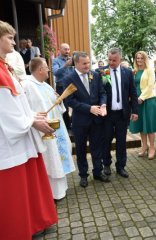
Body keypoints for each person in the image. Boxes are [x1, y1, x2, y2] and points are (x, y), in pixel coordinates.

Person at [0, 20, 57, 239]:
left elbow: (18, 103)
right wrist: (31, 122)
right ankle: (18, 230)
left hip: (21, 133)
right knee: (16, 191)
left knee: (28, 184)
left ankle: (34, 222)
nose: (14, 41)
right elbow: (5, 110)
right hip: (9, 140)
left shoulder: (6, 67)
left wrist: (33, 116)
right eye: (9, 37)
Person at [21, 57, 75, 200]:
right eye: (46, 68)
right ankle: (50, 193)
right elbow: (24, 109)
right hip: (41, 130)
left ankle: (60, 191)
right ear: (39, 70)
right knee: (49, 159)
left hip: (56, 128)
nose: (49, 70)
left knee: (58, 157)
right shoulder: (27, 85)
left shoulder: (46, 85)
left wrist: (57, 99)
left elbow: (58, 107)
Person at [64, 51, 108, 187]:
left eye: (88, 63)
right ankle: (83, 175)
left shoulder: (94, 75)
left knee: (97, 147)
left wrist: (103, 104)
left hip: (96, 120)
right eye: (84, 63)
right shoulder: (69, 78)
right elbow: (70, 101)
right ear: (76, 63)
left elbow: (102, 92)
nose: (87, 65)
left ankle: (98, 172)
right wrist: (89, 108)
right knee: (81, 149)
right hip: (80, 121)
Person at [102, 47, 138, 178]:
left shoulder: (127, 72)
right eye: (109, 60)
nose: (111, 62)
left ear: (120, 59)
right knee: (106, 140)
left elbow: (133, 93)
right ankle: (106, 164)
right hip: (107, 115)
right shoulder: (101, 72)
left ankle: (121, 166)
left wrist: (135, 111)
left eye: (114, 60)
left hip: (122, 114)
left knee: (121, 142)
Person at [129, 51, 156, 160]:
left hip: (147, 99)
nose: (139, 60)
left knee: (149, 125)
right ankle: (144, 146)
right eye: (137, 58)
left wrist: (141, 97)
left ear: (145, 59)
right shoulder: (134, 71)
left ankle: (152, 147)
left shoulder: (150, 71)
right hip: (136, 100)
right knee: (141, 124)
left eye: (141, 58)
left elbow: (150, 85)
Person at [52, 43, 74, 129]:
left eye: (68, 49)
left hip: (72, 86)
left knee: (75, 105)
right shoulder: (56, 61)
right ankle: (67, 127)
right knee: (63, 107)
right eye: (65, 49)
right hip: (61, 86)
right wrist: (65, 65)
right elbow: (55, 72)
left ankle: (73, 124)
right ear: (60, 50)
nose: (67, 51)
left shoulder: (72, 60)